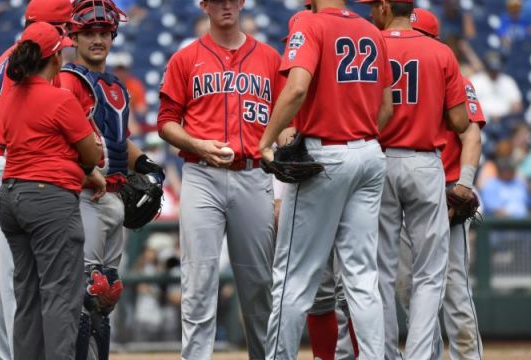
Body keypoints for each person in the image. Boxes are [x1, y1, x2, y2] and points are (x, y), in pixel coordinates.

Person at [258, 0, 394, 357]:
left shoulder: (308, 21)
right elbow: (387, 107)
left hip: (326, 156)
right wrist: (359, 135)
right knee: (363, 280)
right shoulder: (371, 31)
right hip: (368, 153)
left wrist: (267, 139)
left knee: (292, 279)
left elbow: (297, 88)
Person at [158, 0, 284, 358]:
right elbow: (166, 121)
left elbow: (287, 120)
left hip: (253, 173)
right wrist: (196, 143)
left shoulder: (270, 59)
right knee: (198, 283)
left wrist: (284, 142)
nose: (226, 5)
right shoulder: (185, 59)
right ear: (204, 5)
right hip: (201, 174)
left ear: (242, 2)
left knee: (258, 285)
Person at [358, 0, 470, 359]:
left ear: (387, 8)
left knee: (380, 273)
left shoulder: (370, 45)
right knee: (429, 274)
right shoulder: (440, 53)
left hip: (379, 160)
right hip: (424, 162)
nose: (372, 11)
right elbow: (460, 123)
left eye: (375, 5)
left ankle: (386, 355)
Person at [58, 1, 164, 359]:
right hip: (86, 196)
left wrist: (147, 164)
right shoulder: (68, 82)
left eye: (104, 32)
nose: (98, 39)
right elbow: (63, 138)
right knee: (87, 292)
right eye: (89, 32)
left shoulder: (117, 86)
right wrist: (87, 171)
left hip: (115, 196)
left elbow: (119, 139)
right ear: (74, 35)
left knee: (107, 294)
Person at [0, 1, 72, 359]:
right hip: (10, 167)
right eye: (65, 28)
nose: (68, 37)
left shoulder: (5, 57)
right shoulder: (41, 62)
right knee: (20, 288)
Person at [0, 21, 101, 360]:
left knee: (27, 296)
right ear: (56, 58)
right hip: (49, 201)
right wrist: (82, 166)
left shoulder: (11, 96)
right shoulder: (60, 98)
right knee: (60, 296)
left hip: (11, 196)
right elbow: (92, 154)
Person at [395, 8, 485, 360]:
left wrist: (463, 185)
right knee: (406, 291)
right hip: (402, 191)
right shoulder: (385, 72)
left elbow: (472, 135)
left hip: (444, 190)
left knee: (455, 291)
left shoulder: (456, 78)